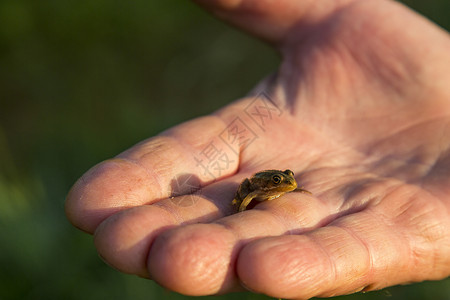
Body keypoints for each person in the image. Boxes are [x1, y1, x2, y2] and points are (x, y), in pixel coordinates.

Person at [65, 0, 450, 298]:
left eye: (288, 184)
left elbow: (284, 182)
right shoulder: (264, 187)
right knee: (236, 207)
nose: (286, 186)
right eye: (286, 184)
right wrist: (241, 203)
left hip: (272, 182)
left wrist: (292, 186)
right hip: (255, 184)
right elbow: (251, 189)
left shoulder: (282, 186)